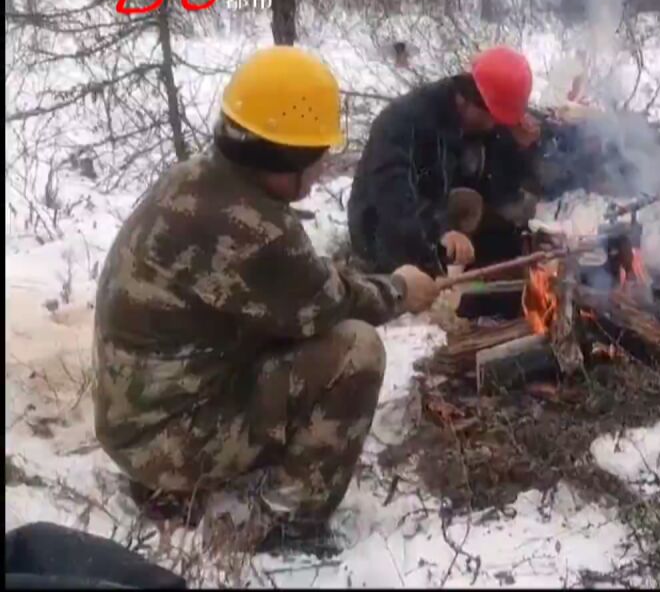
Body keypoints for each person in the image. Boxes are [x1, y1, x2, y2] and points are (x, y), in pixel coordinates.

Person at [93, 46, 441, 556]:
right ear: (286, 159)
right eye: (317, 156)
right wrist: (402, 289)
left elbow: (292, 290)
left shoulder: (197, 179)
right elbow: (331, 305)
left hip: (136, 420)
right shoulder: (254, 229)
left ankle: (168, 484)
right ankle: (290, 520)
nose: (322, 168)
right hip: (163, 440)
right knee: (355, 350)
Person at [347, 46, 543, 279]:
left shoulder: (482, 123)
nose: (494, 125)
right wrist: (440, 231)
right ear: (469, 100)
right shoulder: (403, 121)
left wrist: (520, 148)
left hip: (440, 217)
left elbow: (501, 191)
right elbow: (393, 200)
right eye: (492, 117)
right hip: (385, 235)